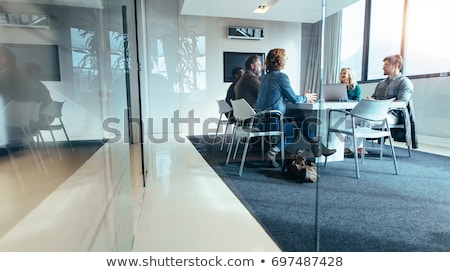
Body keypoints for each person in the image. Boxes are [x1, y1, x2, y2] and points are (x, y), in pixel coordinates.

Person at [256, 48, 336, 167]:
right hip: (272, 121)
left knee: (298, 114)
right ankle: (274, 152)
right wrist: (306, 97)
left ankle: (317, 144)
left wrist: (302, 97)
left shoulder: (265, 78)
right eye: (285, 58)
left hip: (260, 120)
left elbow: (280, 97)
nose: (286, 61)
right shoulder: (281, 77)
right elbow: (293, 99)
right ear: (280, 60)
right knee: (293, 132)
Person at [338, 67, 365, 156]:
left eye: (344, 73)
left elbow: (357, 101)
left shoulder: (356, 87)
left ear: (350, 75)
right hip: (340, 111)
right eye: (341, 73)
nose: (342, 75)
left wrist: (346, 100)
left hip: (352, 111)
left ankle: (357, 147)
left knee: (352, 122)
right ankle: (356, 147)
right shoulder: (338, 87)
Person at [24, 62, 54, 132]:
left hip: (38, 120)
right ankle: (29, 141)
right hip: (47, 119)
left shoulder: (30, 87)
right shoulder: (42, 87)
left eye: (25, 72)